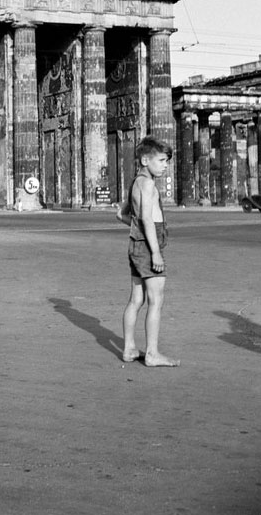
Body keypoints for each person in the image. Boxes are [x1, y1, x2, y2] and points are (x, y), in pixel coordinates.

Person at [116, 136, 180, 367]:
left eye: (167, 161)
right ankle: (152, 353)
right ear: (145, 159)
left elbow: (121, 215)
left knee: (136, 299)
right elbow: (146, 218)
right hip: (147, 246)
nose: (165, 165)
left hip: (136, 244)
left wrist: (138, 233)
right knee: (156, 300)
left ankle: (129, 349)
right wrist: (155, 252)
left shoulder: (137, 181)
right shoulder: (149, 184)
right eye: (161, 160)